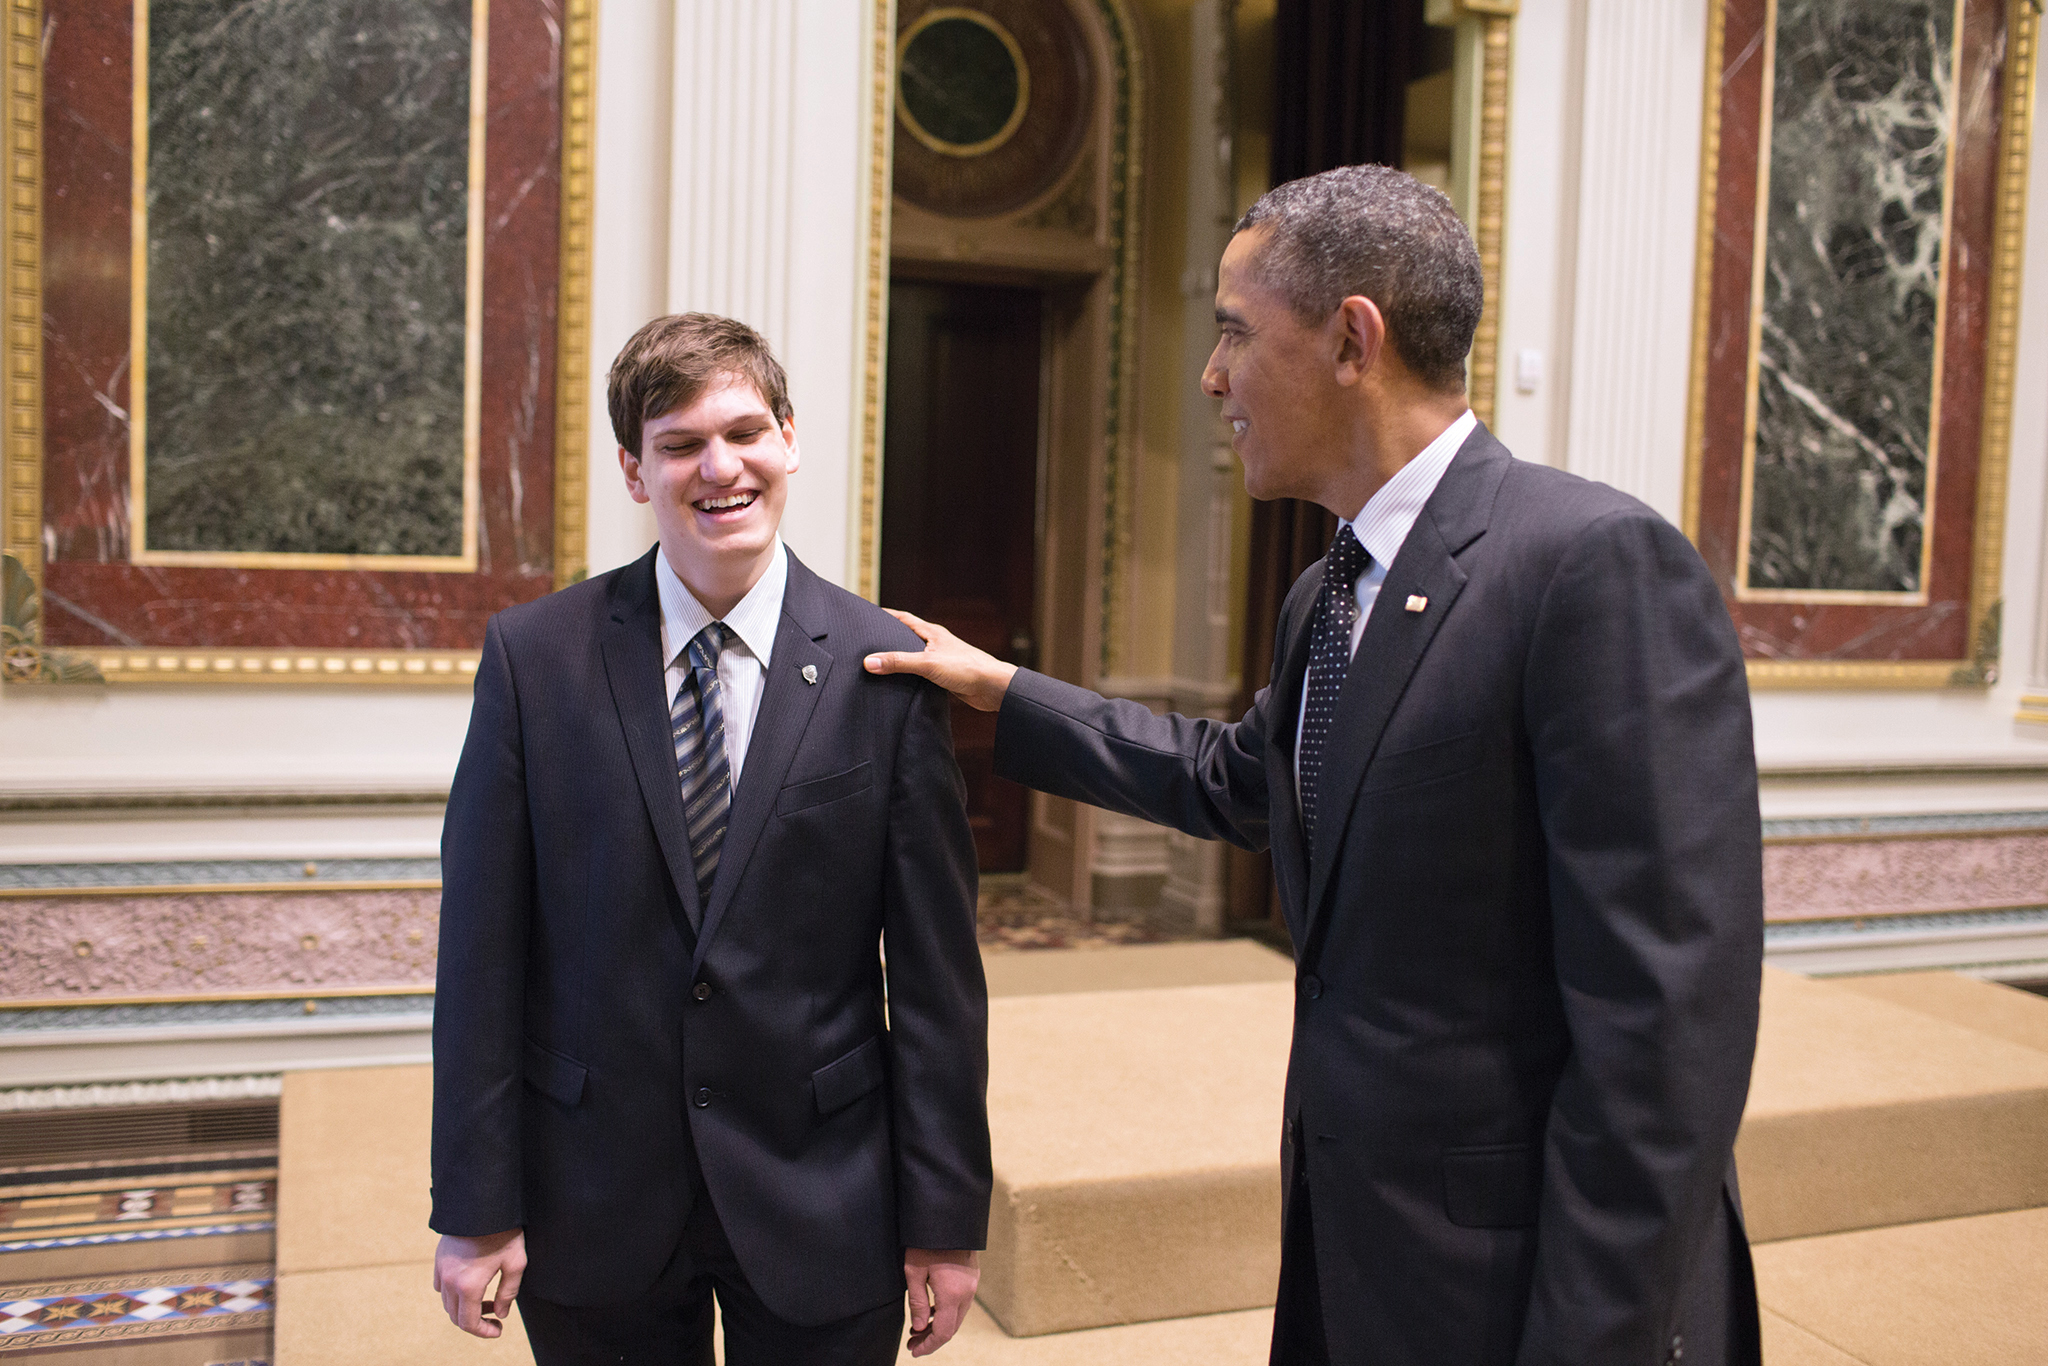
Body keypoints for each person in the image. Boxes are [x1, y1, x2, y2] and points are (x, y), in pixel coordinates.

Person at [865, 165, 1764, 1366]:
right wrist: (1004, 692)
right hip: (1359, 1253)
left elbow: (1664, 1030)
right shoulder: (1325, 591)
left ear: (1352, 339)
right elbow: (1240, 779)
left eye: (1233, 331)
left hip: (1528, 1288)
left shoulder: (1591, 566)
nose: (1211, 376)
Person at [431, 312, 991, 1365]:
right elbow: (480, 957)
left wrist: (945, 1218)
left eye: (743, 432)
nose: (717, 467)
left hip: (824, 1187)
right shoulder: (533, 660)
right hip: (591, 1190)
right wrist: (473, 1204)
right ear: (635, 472)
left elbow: (935, 982)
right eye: (679, 443)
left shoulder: (890, 667)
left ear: (789, 437)